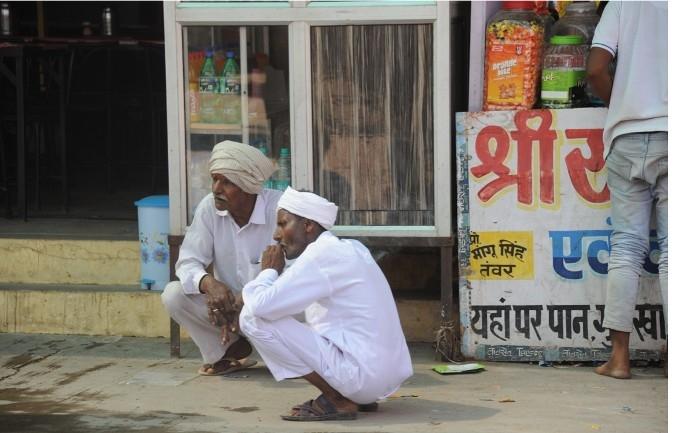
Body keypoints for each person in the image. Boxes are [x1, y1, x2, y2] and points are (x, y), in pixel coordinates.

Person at [237, 187, 413, 421]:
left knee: (251, 317)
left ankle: (336, 399)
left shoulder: (321, 257)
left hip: (362, 377)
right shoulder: (350, 248)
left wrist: (268, 272)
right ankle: (356, 397)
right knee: (282, 311)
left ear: (308, 226)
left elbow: (259, 306)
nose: (277, 235)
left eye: (283, 224)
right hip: (385, 379)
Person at [586, 1, 667, 379]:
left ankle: (619, 359)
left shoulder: (621, 3)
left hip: (626, 136)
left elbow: (596, 70)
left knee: (625, 248)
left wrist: (621, 103)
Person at [161, 140, 282, 376]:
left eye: (227, 182)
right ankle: (227, 350)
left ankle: (294, 358)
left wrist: (248, 298)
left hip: (270, 306)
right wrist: (209, 283)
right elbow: (187, 262)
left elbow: (298, 271)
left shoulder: (280, 210)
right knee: (173, 295)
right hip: (228, 308)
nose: (216, 188)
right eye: (215, 179)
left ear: (248, 186)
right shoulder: (209, 208)